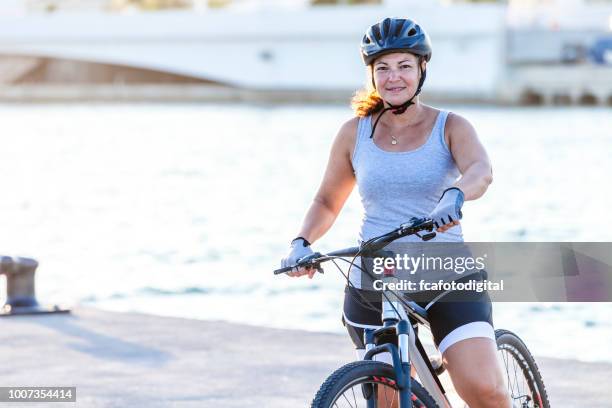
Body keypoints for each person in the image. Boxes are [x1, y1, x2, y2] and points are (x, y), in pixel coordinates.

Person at [281, 18, 510, 408]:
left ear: (422, 69)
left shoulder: (450, 126)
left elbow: (480, 171)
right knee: (387, 396)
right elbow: (326, 201)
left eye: (404, 66)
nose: (393, 77)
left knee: (482, 389)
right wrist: (302, 242)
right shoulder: (354, 133)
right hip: (376, 280)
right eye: (382, 68)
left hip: (446, 275)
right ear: (371, 75)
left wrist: (455, 195)